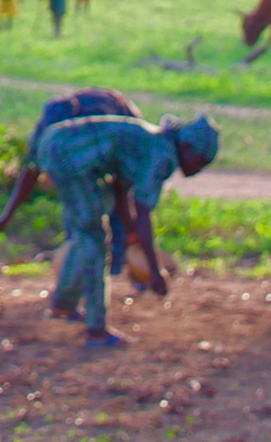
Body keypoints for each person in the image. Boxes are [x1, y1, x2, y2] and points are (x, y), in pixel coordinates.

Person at [34, 113, 221, 346]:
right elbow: (143, 213)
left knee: (88, 230)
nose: (197, 169)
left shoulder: (154, 142)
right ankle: (96, 329)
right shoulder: (163, 156)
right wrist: (155, 271)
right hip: (68, 156)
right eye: (200, 160)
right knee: (93, 240)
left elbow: (122, 189)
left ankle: (64, 305)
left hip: (56, 142)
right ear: (186, 146)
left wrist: (131, 234)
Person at [0, 88, 142, 283]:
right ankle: (87, 276)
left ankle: (126, 268)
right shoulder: (48, 129)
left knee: (114, 215)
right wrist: (5, 217)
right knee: (81, 220)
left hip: (119, 145)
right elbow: (32, 169)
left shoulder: (101, 120)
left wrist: (131, 226)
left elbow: (121, 180)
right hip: (86, 166)